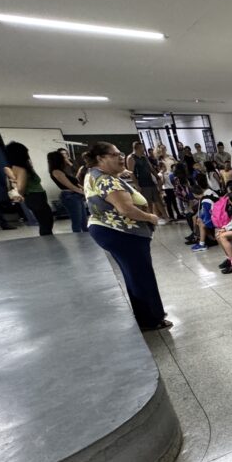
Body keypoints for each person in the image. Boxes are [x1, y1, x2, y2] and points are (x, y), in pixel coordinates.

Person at [82, 142, 170, 331]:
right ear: (100, 158)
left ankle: (146, 316)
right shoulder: (107, 180)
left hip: (109, 230)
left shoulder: (93, 175)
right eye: (115, 155)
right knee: (141, 276)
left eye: (120, 153)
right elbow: (126, 209)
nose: (121, 157)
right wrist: (151, 217)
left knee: (133, 274)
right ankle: (152, 319)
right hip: (123, 233)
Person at [4, 141, 54, 236]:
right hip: (34, 197)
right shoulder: (20, 168)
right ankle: (49, 242)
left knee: (46, 222)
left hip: (36, 197)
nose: (28, 155)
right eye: (26, 152)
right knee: (46, 223)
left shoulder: (21, 167)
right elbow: (20, 188)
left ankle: (49, 241)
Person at [46, 150, 88, 233]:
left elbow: (75, 183)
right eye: (63, 157)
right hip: (70, 196)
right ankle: (79, 238)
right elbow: (70, 186)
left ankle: (87, 236)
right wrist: (85, 193)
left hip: (75, 195)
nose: (65, 158)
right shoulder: (56, 171)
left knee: (84, 220)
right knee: (77, 221)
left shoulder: (62, 170)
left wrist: (84, 189)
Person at [127, 142, 166, 223]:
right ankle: (150, 219)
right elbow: (131, 172)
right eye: (142, 147)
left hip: (150, 181)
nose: (143, 149)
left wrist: (157, 177)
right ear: (137, 148)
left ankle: (166, 217)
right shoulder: (131, 158)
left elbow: (151, 168)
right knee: (148, 202)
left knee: (158, 199)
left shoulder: (144, 157)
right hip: (142, 183)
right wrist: (136, 185)